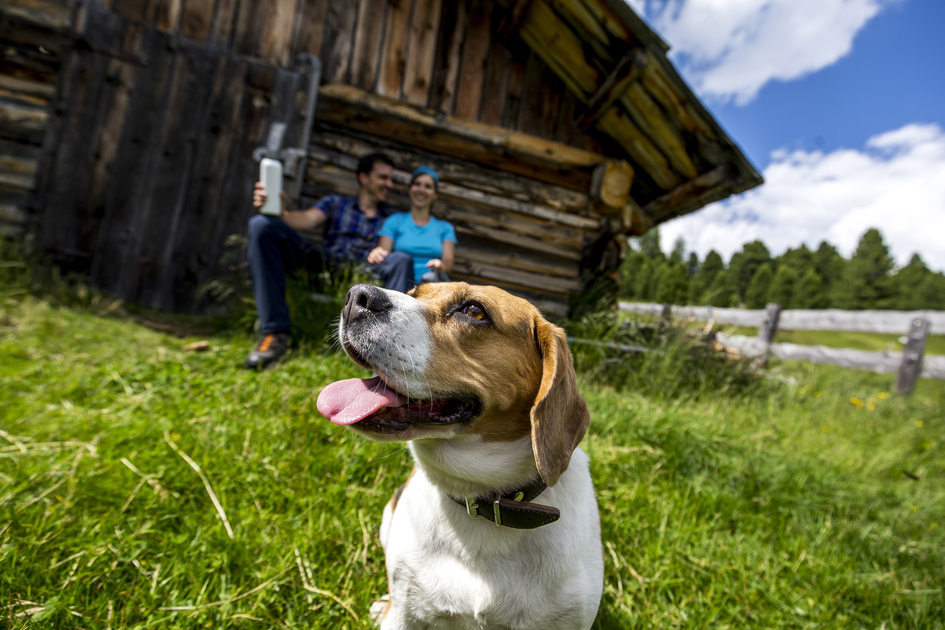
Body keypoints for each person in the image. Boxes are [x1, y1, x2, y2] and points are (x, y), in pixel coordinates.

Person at [244, 152, 413, 369]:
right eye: (383, 178)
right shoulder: (335, 203)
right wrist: (279, 210)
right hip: (326, 263)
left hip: (365, 270)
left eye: (391, 179)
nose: (389, 184)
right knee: (261, 225)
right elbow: (305, 220)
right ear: (364, 177)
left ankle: (392, 344)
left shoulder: (392, 219)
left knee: (401, 259)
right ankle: (275, 334)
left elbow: (388, 248)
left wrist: (381, 252)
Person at [367, 166, 456, 287]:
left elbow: (448, 263)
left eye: (428, 186)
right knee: (402, 259)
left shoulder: (445, 228)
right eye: (417, 184)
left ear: (435, 195)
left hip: (431, 283)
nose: (421, 190)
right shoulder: (394, 221)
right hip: (399, 283)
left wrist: (441, 265)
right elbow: (385, 256)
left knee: (432, 278)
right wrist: (377, 254)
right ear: (410, 189)